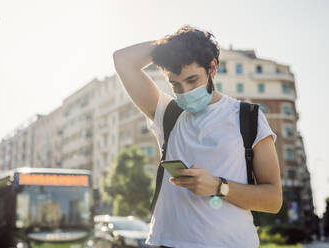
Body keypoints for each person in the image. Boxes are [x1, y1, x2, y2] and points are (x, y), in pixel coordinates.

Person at [113, 25, 282, 248]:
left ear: (212, 67)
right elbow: (122, 60)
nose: (185, 91)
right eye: (175, 84)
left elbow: (273, 200)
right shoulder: (167, 113)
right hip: (166, 243)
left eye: (192, 80)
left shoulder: (248, 117)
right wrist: (169, 47)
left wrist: (218, 187)